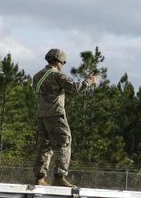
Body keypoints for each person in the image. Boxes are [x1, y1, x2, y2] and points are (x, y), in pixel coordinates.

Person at [32, 48, 99, 187]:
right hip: (55, 114)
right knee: (64, 142)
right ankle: (59, 177)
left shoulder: (37, 76)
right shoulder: (57, 76)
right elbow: (75, 87)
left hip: (41, 115)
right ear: (59, 62)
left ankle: (40, 178)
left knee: (44, 146)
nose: (62, 66)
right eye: (63, 63)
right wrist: (89, 81)